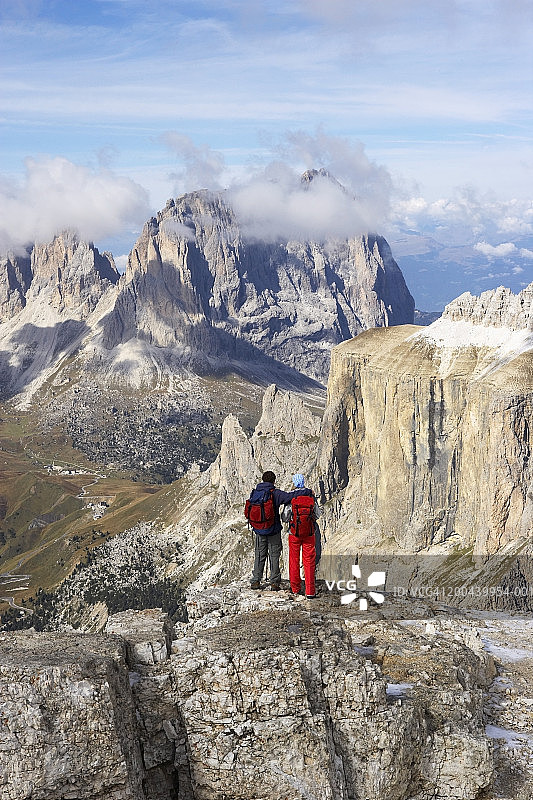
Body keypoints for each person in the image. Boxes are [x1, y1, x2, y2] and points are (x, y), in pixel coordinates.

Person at [247, 470, 309, 591]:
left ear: (263, 480)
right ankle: (274, 582)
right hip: (273, 530)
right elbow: (290, 497)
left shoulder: (255, 492)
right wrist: (306, 491)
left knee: (259, 554)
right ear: (274, 481)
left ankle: (255, 581)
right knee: (274, 555)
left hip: (259, 530)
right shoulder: (275, 493)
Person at [282, 473, 321, 599]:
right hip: (309, 534)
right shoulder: (311, 497)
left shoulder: (291, 499)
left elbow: (285, 517)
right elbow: (318, 514)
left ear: (294, 483)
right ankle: (310, 591)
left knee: (294, 560)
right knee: (309, 561)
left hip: (294, 534)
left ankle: (295, 588)